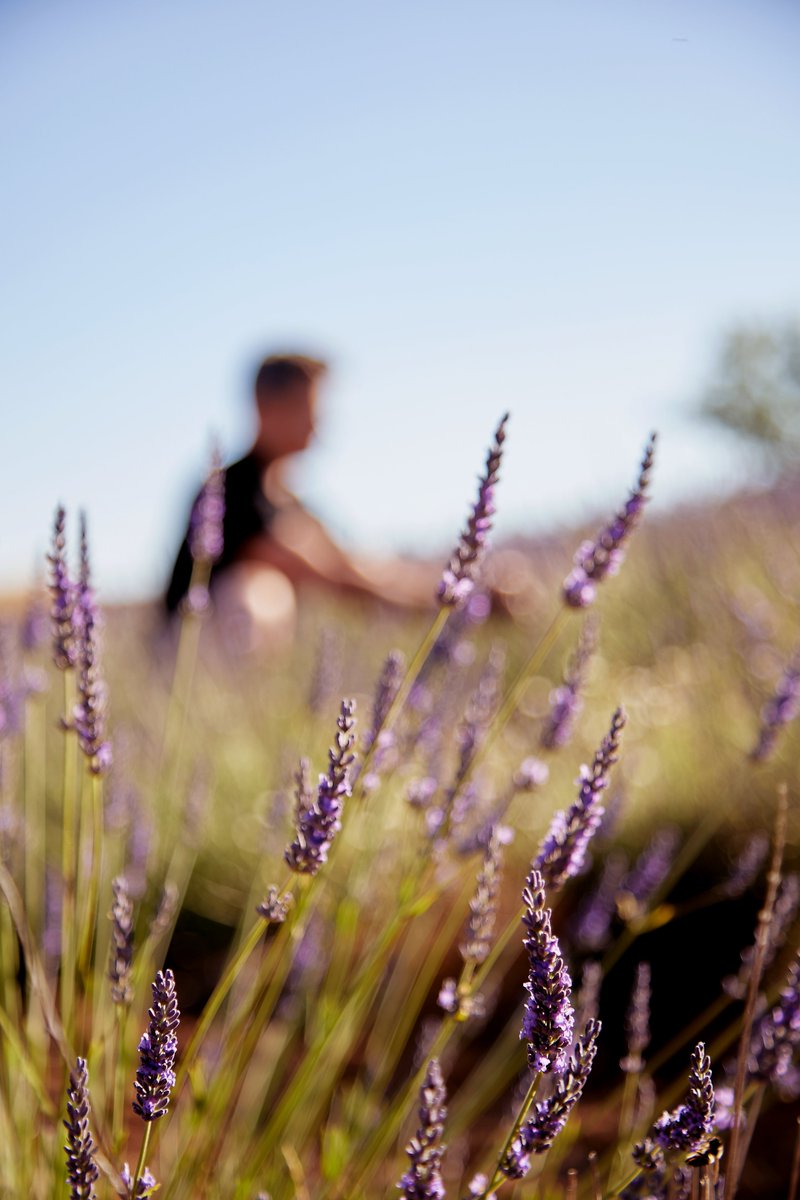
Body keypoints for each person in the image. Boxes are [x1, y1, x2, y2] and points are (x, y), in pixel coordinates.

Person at [164, 353, 435, 648]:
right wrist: (414, 605)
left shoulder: (289, 500)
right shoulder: (232, 489)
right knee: (260, 589)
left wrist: (435, 593)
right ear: (267, 409)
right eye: (308, 408)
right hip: (183, 651)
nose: (317, 424)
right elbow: (320, 572)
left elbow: (352, 564)